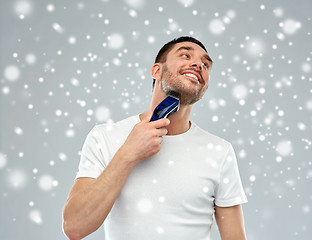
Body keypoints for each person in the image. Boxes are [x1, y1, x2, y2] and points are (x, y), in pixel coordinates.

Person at [62, 36, 248, 240]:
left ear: (203, 90)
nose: (198, 64)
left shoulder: (220, 151)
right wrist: (128, 153)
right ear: (156, 71)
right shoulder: (105, 137)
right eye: (185, 55)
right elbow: (74, 227)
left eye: (206, 64)